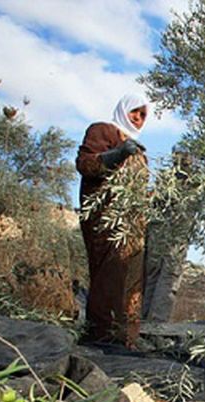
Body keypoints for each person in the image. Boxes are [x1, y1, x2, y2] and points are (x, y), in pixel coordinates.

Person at [76, 93, 149, 348]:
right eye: (134, 112)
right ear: (123, 110)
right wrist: (116, 154)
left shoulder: (140, 150)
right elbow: (86, 164)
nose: (138, 119)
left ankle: (126, 339)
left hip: (133, 226)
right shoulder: (103, 130)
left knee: (132, 281)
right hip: (106, 219)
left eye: (143, 115)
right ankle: (101, 336)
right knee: (109, 274)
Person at [142, 150, 191, 323]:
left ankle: (141, 320)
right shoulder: (189, 184)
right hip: (172, 234)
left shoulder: (163, 180)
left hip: (157, 232)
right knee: (168, 276)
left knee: (152, 275)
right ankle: (155, 324)